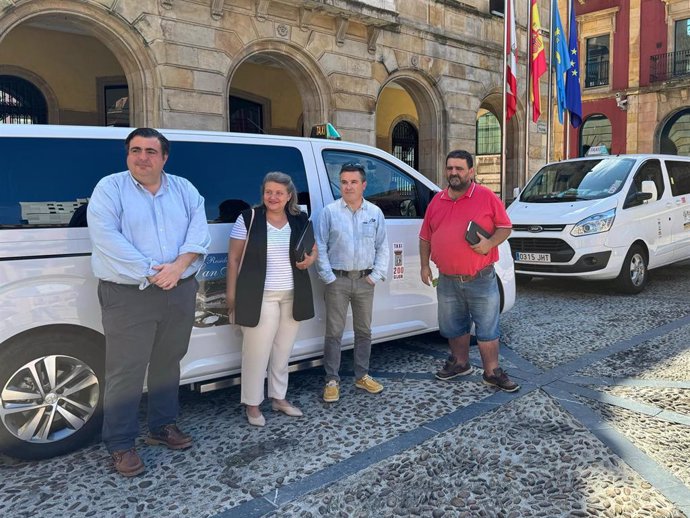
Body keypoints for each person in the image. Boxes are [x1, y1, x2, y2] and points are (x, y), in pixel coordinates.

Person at [87, 128, 211, 477]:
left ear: (164, 157)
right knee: (125, 370)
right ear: (127, 155)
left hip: (180, 289)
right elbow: (106, 237)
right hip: (129, 294)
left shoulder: (185, 189)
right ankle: (121, 444)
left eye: (151, 151)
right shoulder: (110, 188)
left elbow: (198, 234)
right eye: (135, 150)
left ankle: (162, 426)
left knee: (168, 362)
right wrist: (153, 272)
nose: (143, 157)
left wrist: (179, 268)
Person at [419, 150, 519, 392]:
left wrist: (488, 244)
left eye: (459, 168)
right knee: (453, 326)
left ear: (471, 172)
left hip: (481, 277)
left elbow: (505, 227)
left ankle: (492, 371)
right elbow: (425, 237)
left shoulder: (485, 196)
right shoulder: (437, 200)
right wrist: (424, 265)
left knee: (487, 328)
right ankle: (460, 363)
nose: (454, 173)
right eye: (450, 168)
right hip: (448, 279)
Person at [226, 172, 316, 427]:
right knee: (256, 353)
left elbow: (312, 247)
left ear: (289, 196)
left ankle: (279, 397)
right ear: (262, 193)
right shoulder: (248, 218)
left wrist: (310, 259)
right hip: (259, 296)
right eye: (268, 191)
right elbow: (233, 259)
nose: (273, 197)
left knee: (282, 351)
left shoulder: (299, 219)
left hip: (292, 294)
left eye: (279, 192)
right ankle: (253, 405)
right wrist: (231, 294)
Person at [315, 163, 389, 402]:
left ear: (363, 185)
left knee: (364, 331)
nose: (348, 186)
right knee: (334, 333)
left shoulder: (375, 213)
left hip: (365, 281)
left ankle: (362, 375)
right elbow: (321, 247)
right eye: (344, 182)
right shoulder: (329, 212)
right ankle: (331, 380)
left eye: (353, 182)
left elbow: (382, 247)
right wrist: (328, 277)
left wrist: (375, 276)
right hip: (338, 280)